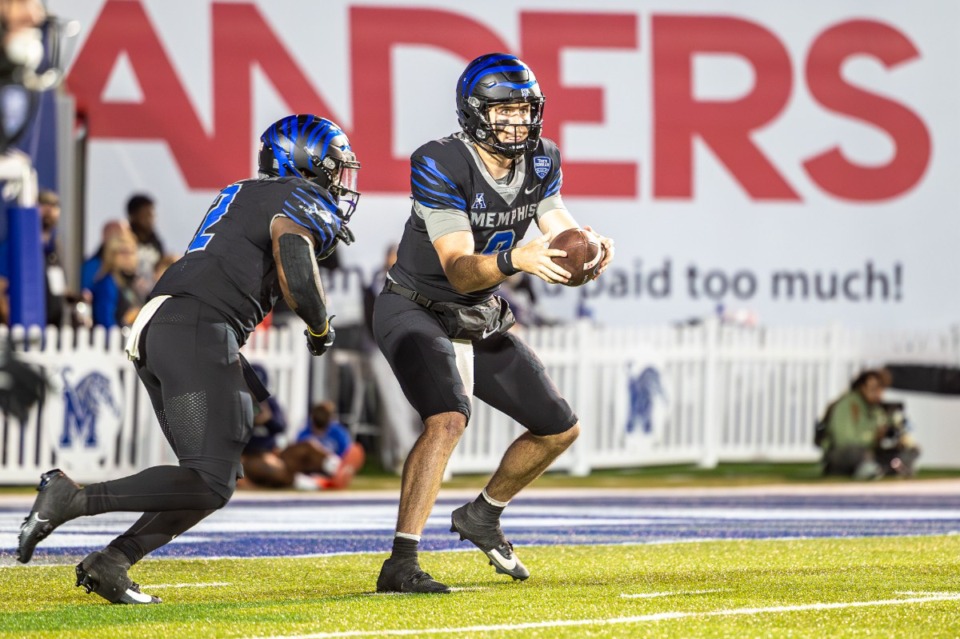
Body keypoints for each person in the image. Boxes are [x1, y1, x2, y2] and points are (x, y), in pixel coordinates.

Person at [16, 114, 361, 605]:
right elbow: (295, 261)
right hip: (197, 326)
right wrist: (320, 325)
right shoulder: (293, 199)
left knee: (212, 479)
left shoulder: (243, 192)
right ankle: (72, 499)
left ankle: (113, 561)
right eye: (332, 168)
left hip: (168, 325)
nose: (338, 180)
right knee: (209, 475)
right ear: (303, 162)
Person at [371, 53, 614, 593]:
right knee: (447, 419)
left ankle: (483, 514)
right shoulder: (440, 161)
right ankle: (401, 561)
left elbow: (561, 239)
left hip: (479, 314)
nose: (517, 121)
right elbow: (459, 270)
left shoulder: (542, 160)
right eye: (504, 110)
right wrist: (516, 260)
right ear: (476, 113)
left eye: (525, 109)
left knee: (559, 426)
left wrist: (588, 254)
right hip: (416, 305)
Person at [817, 368, 919, 479]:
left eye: (880, 388)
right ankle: (869, 469)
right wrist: (875, 437)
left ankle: (893, 468)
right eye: (873, 388)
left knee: (909, 451)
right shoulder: (847, 404)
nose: (877, 393)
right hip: (841, 454)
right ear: (862, 387)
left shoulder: (877, 408)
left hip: (870, 453)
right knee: (858, 453)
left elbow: (894, 424)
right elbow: (844, 440)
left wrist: (903, 438)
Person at [293, 399, 366, 489]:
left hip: (334, 466)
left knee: (354, 450)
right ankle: (322, 478)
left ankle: (334, 472)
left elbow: (347, 453)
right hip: (310, 469)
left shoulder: (339, 433)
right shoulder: (304, 434)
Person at [125, 193, 165, 299]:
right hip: (129, 297)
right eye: (145, 215)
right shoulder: (125, 243)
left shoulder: (156, 243)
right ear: (133, 216)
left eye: (152, 215)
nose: (150, 219)